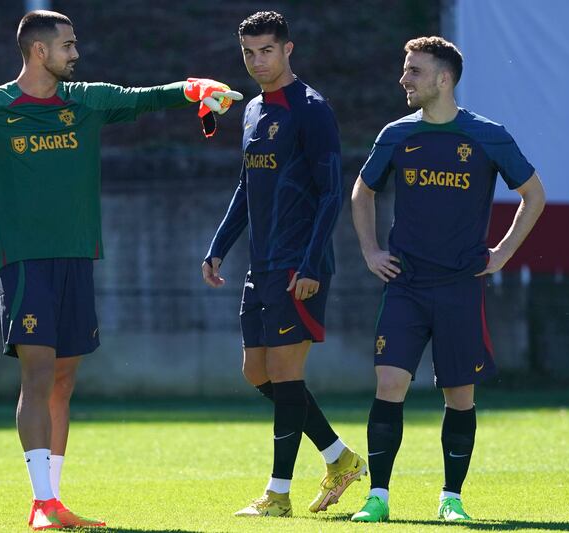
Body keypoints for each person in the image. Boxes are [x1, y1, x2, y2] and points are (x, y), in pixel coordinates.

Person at [0, 10, 241, 530]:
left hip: (77, 258)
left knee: (64, 378)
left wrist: (193, 88)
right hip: (24, 262)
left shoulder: (87, 100)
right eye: (68, 45)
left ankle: (54, 501)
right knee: (36, 373)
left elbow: (144, 97)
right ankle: (41, 503)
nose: (75, 54)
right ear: (39, 51)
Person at [349, 36, 546, 523]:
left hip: (460, 286)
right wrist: (371, 250)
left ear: (443, 79)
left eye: (414, 70)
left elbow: (533, 194)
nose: (404, 78)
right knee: (389, 381)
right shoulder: (395, 134)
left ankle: (451, 498)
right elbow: (362, 190)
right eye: (405, 68)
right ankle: (378, 496)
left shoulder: (487, 134)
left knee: (459, 394)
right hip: (407, 285)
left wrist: (501, 253)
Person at [201, 11, 366, 518]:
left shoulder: (312, 109)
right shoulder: (252, 110)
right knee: (257, 372)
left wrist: (312, 263)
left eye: (266, 50)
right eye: (249, 52)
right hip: (262, 264)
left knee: (287, 373)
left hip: (301, 264)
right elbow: (246, 187)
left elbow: (331, 192)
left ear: (288, 50)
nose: (257, 61)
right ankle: (340, 458)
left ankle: (277, 494)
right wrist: (218, 246)